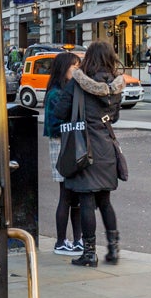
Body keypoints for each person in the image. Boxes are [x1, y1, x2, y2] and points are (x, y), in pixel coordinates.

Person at [61, 41, 127, 268]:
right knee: (105, 201)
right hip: (106, 147)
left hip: (84, 148)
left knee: (87, 200)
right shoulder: (116, 86)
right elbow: (114, 118)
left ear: (89, 58)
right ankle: (113, 249)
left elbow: (61, 111)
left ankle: (89, 253)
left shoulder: (77, 83)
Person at [42, 51, 84, 257]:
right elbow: (54, 126)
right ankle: (60, 241)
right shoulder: (55, 94)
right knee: (66, 195)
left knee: (75, 195)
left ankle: (78, 240)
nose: (77, 70)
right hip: (61, 147)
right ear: (63, 68)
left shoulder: (68, 90)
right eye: (73, 66)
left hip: (70, 145)